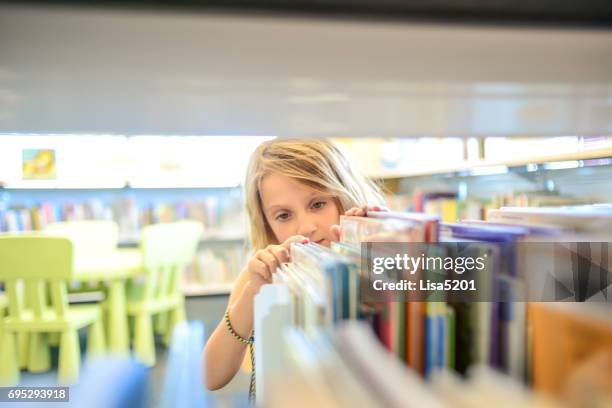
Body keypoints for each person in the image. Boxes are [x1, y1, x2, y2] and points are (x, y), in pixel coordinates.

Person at [203, 139, 386, 392]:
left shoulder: (374, 251)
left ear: (343, 196)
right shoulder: (260, 275)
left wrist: (387, 259)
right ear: (267, 223)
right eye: (284, 215)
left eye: (318, 204)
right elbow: (212, 377)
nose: (306, 227)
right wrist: (252, 293)